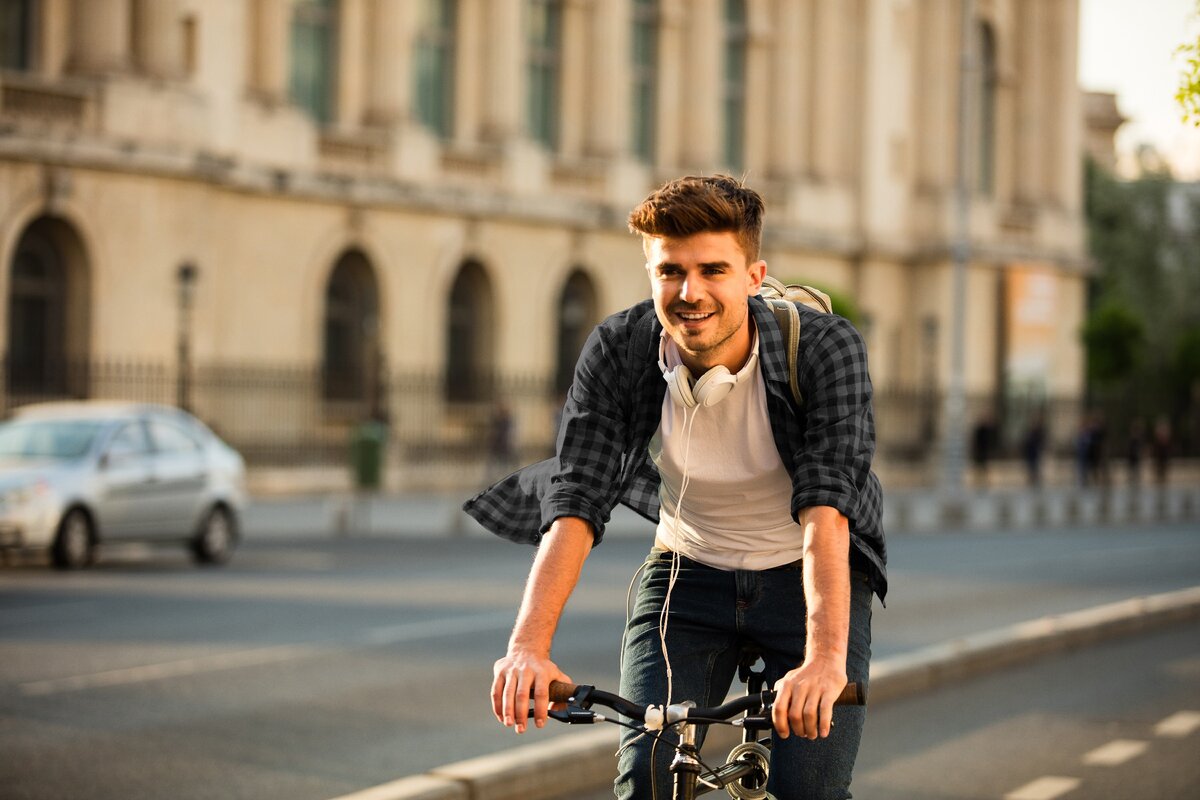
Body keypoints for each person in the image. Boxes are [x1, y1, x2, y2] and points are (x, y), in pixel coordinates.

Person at [465, 175, 886, 800]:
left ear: (753, 274)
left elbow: (827, 508)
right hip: (688, 571)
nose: (690, 293)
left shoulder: (824, 349)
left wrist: (825, 659)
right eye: (670, 272)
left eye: (713, 269)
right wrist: (528, 647)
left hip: (807, 582)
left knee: (811, 791)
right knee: (647, 777)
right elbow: (577, 497)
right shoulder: (622, 350)